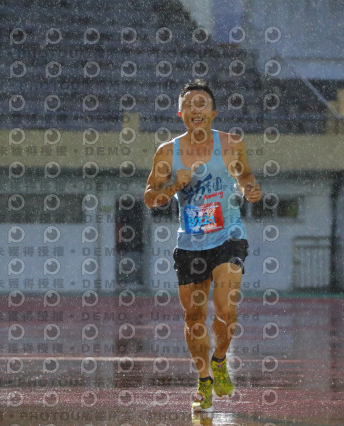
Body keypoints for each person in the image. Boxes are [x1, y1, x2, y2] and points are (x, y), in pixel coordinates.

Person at [144, 79, 262, 412]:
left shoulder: (231, 144)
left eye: (202, 104)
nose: (196, 109)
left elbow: (245, 175)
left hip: (229, 236)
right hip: (191, 243)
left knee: (226, 309)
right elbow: (150, 198)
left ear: (213, 112)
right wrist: (173, 186)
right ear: (180, 114)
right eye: (189, 105)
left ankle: (220, 359)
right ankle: (204, 380)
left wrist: (250, 188)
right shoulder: (167, 153)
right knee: (194, 317)